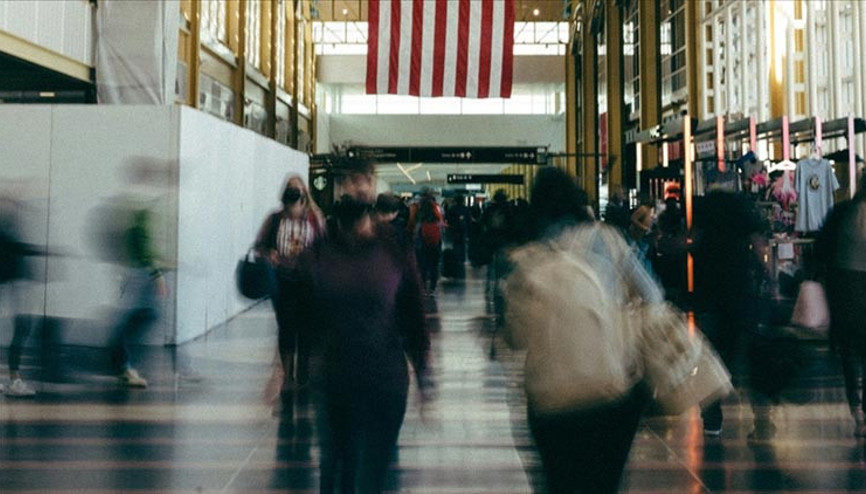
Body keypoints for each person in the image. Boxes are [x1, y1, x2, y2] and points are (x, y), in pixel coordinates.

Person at [504, 166, 662, 494]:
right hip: (611, 387)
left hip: (551, 397)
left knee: (559, 484)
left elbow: (516, 337)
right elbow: (652, 295)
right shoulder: (607, 238)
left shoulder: (528, 256)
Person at [295, 160, 431, 494]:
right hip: (333, 382)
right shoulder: (317, 253)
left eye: (366, 180)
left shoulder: (395, 249)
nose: (359, 187)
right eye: (351, 181)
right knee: (336, 471)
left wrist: (425, 375)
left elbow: (413, 315)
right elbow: (303, 318)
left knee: (371, 476)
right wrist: (284, 370)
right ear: (336, 189)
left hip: (384, 382)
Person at [692, 190, 769, 437]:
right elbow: (758, 245)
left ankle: (712, 418)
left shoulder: (704, 212)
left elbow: (692, 239)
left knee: (712, 356)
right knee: (750, 355)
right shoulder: (743, 213)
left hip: (709, 291)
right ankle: (761, 418)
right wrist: (768, 276)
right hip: (740, 289)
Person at [254, 175, 325, 403]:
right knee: (286, 327)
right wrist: (269, 254)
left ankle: (303, 373)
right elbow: (260, 245)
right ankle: (287, 372)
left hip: (308, 281)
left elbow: (324, 247)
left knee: (306, 329)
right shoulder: (275, 218)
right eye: (290, 190)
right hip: (282, 279)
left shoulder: (314, 218)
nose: (294, 194)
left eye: (297, 190)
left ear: (305, 193)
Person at [818, 173, 866, 437]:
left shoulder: (842, 212)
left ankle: (856, 408)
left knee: (851, 353)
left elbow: (822, 249)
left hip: (846, 290)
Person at [109, 205, 166, 388]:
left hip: (132, 277)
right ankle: (125, 367)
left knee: (134, 320)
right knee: (138, 320)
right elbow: (146, 255)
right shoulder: (139, 231)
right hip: (138, 278)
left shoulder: (131, 232)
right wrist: (157, 276)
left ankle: (124, 366)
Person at [409, 190, 444, 294]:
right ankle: (433, 286)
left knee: (422, 264)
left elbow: (412, 223)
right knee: (434, 264)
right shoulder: (436, 208)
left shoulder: (417, 208)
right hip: (435, 240)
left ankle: (423, 285)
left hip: (421, 240)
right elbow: (441, 222)